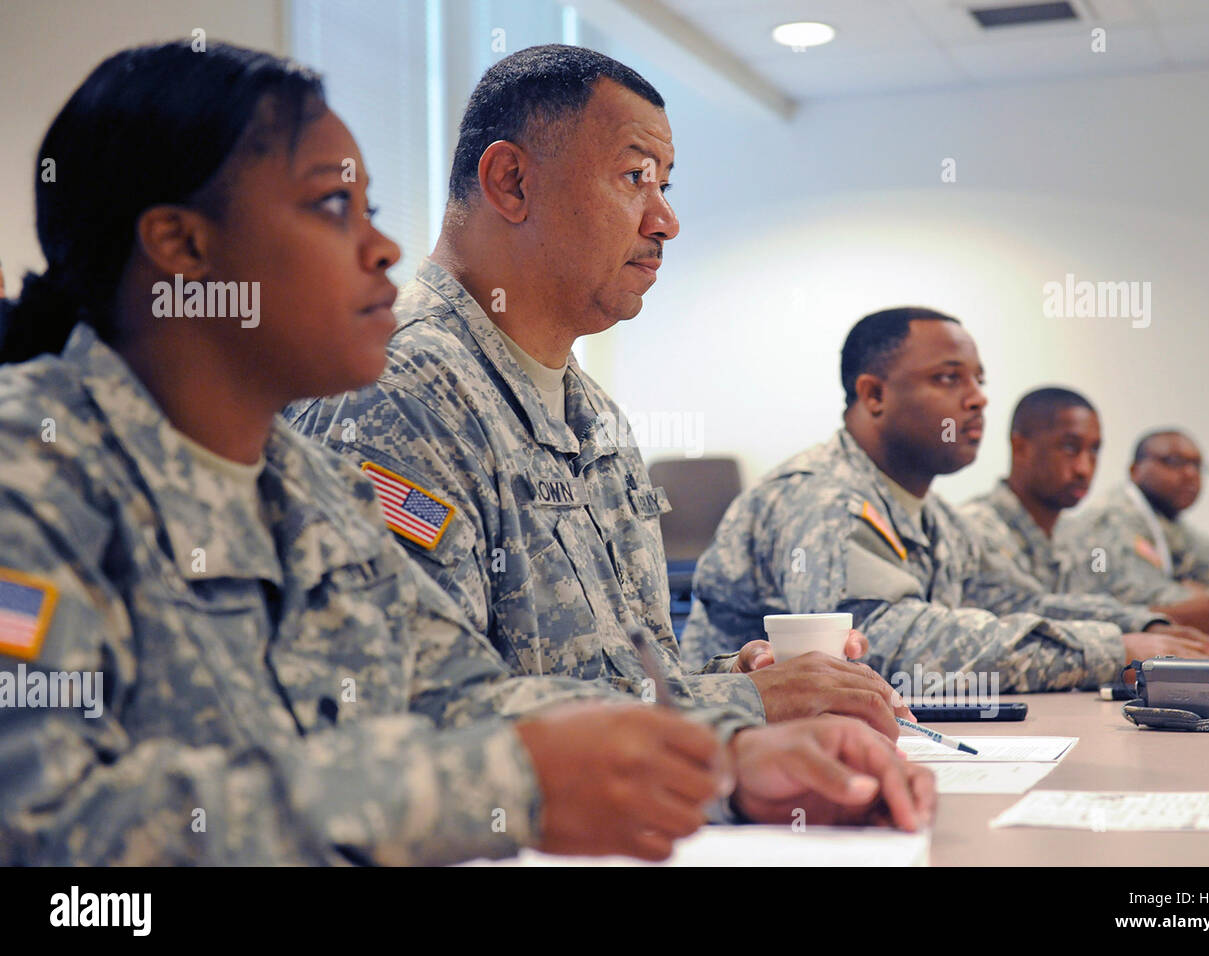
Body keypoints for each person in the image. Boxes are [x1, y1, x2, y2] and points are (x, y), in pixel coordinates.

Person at [0, 42, 933, 866]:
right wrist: (517, 784)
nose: (384, 247)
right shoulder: (33, 475)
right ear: (183, 248)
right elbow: (46, 833)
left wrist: (726, 756)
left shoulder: (298, 493)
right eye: (332, 206)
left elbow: (462, 698)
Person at [288, 45, 909, 735]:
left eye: (666, 185)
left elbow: (619, 681)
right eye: (635, 176)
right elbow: (415, 720)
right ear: (512, 182)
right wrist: (748, 708)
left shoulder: (594, 416)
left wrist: (742, 681)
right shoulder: (399, 390)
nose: (664, 220)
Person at [681, 308, 1209, 692]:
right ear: (873, 395)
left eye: (979, 380)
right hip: (730, 768)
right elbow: (887, 649)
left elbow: (1018, 603)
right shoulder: (822, 497)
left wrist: (1148, 627)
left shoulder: (932, 516)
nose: (977, 399)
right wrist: (1111, 648)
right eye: (950, 379)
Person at [961, 389, 1209, 640]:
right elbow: (1024, 619)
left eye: (1094, 451)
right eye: (1069, 448)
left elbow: (1102, 607)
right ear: (1020, 446)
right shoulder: (976, 528)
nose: (1084, 469)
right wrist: (1157, 622)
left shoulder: (1075, 534)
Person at [1062, 429, 1209, 630]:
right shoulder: (1112, 517)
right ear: (1135, 470)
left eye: (1197, 466)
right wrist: (1206, 600)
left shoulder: (1170, 523)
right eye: (1174, 462)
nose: (1190, 474)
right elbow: (1144, 595)